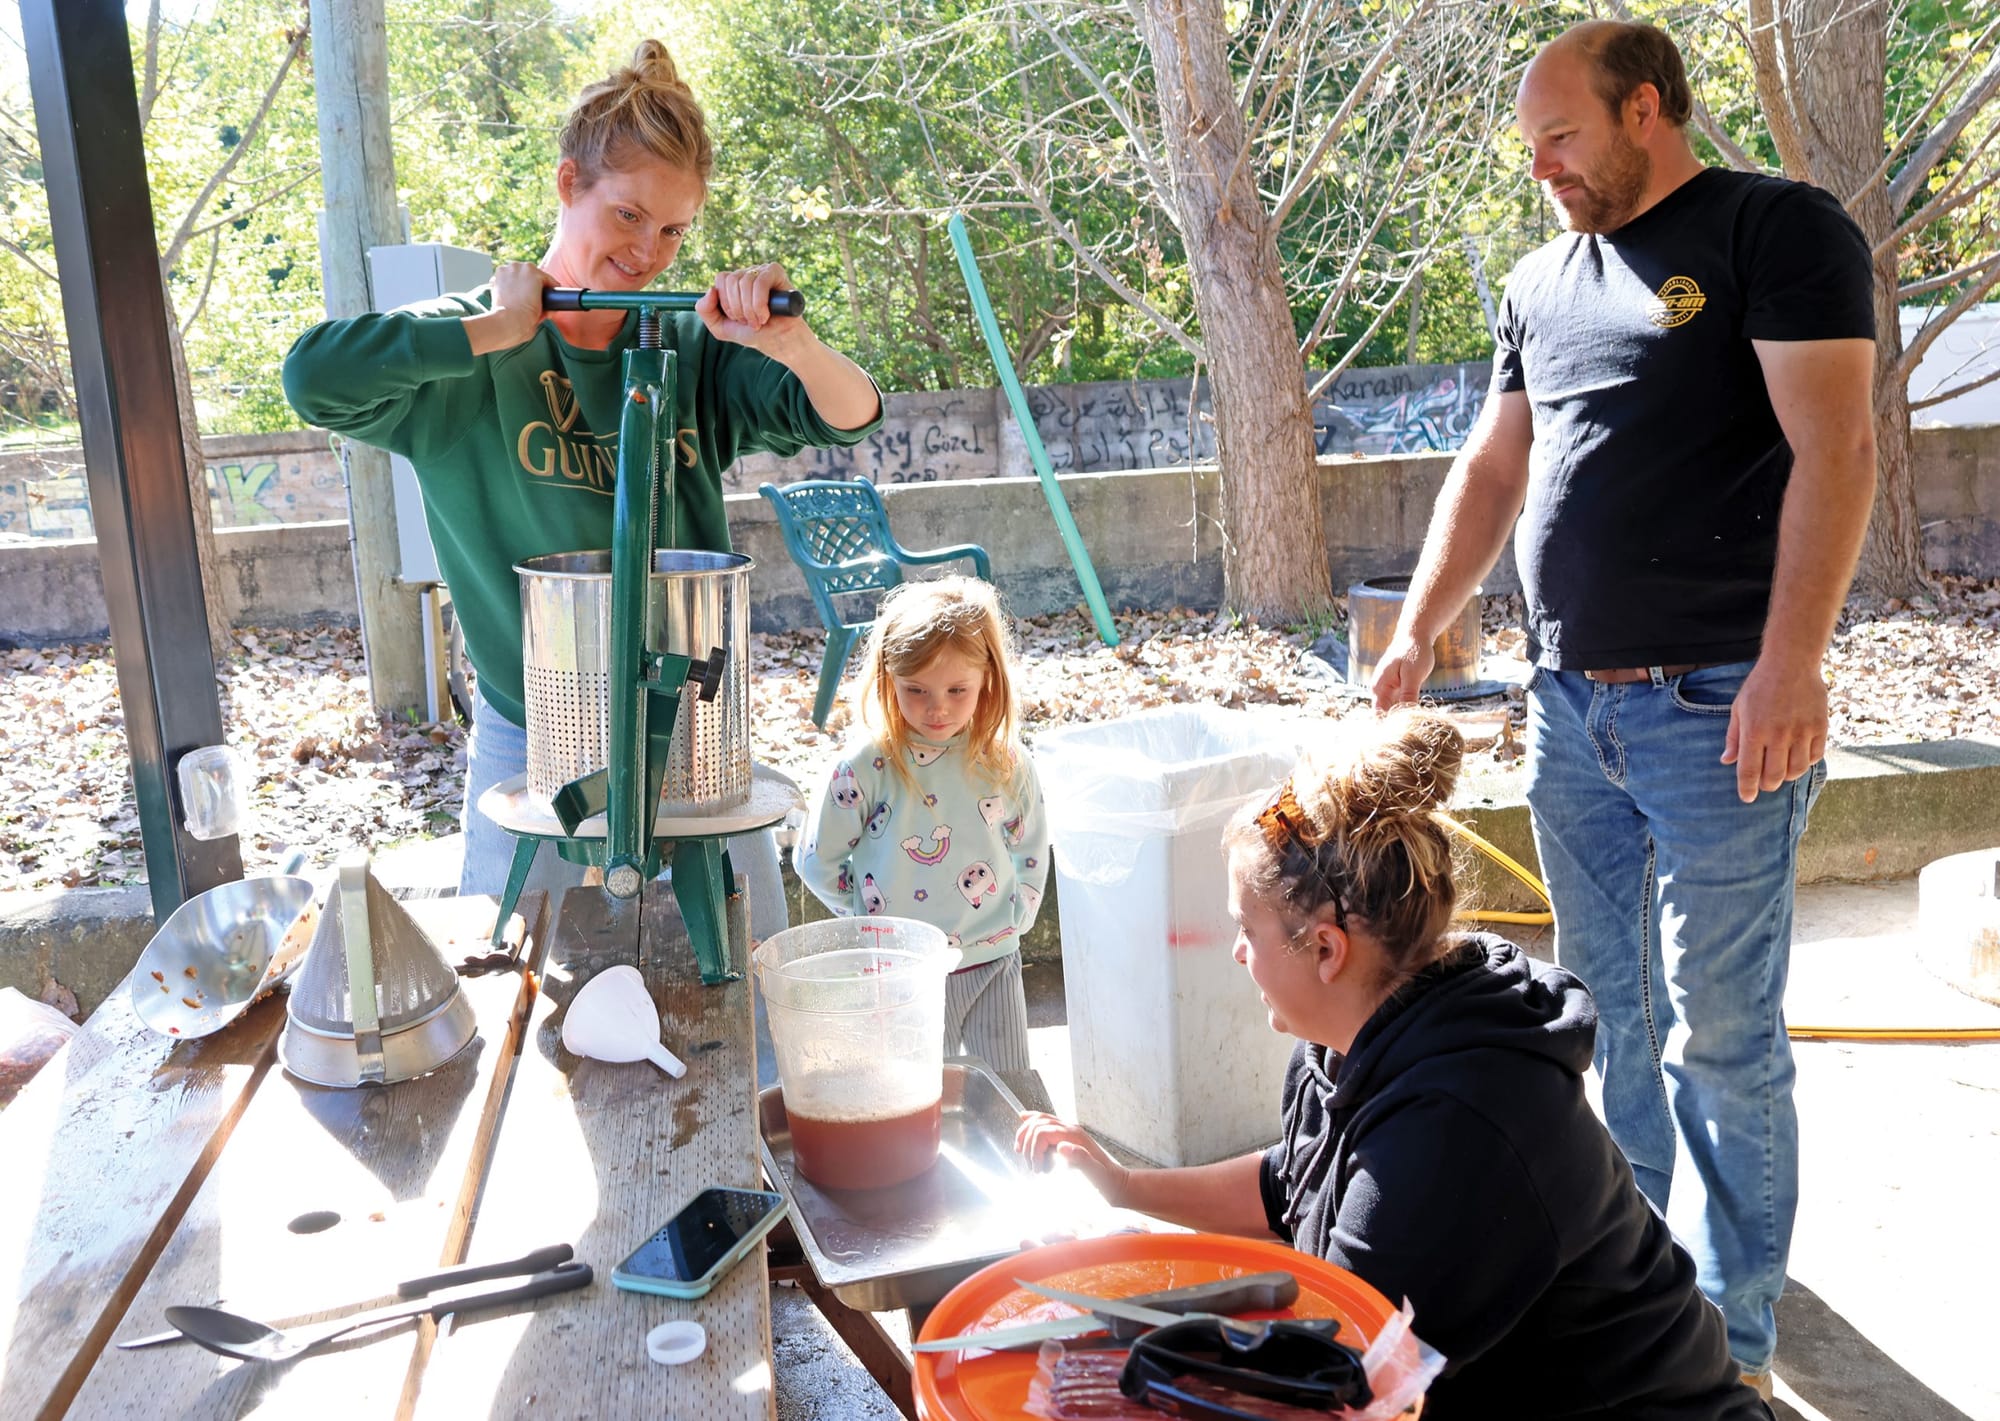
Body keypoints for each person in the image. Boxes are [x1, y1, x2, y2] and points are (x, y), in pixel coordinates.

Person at [1370, 20, 1877, 1392]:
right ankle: (1639, 1278)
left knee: (1724, 1033)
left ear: (1646, 108)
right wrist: (1419, 628)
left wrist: (1792, 665)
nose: (1540, 166)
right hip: (1571, 704)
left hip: (1722, 705)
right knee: (1602, 1014)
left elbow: (1839, 446)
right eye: (1528, 145)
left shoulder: (1775, 229)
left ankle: (1736, 1336)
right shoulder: (1543, 278)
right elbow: (1493, 468)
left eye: (1562, 136)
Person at [281, 40, 882, 927]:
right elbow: (313, 378)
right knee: (507, 970)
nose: (649, 251)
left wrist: (791, 344)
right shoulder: (469, 348)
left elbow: (851, 412)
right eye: (630, 214)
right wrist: (494, 332)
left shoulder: (693, 348)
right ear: (569, 183)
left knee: (746, 981)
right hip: (532, 732)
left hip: (691, 724)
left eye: (674, 230)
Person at [1017, 713, 1771, 1419]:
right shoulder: (1364, 1032)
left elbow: (1326, 1375)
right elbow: (1293, 1184)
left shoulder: (1454, 1132)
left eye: (1247, 928)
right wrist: (1124, 1188)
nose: (1237, 952)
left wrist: (1113, 1336)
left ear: (1325, 949)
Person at [794, 577, 1049, 1072]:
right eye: (917, 690)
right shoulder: (866, 766)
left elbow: (1031, 844)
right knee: (910, 1097)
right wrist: (866, 912)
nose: (938, 708)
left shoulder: (1006, 761)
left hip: (991, 957)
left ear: (987, 680)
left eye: (958, 689)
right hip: (898, 973)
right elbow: (815, 860)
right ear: (889, 679)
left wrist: (1019, 915)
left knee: (1007, 1092)